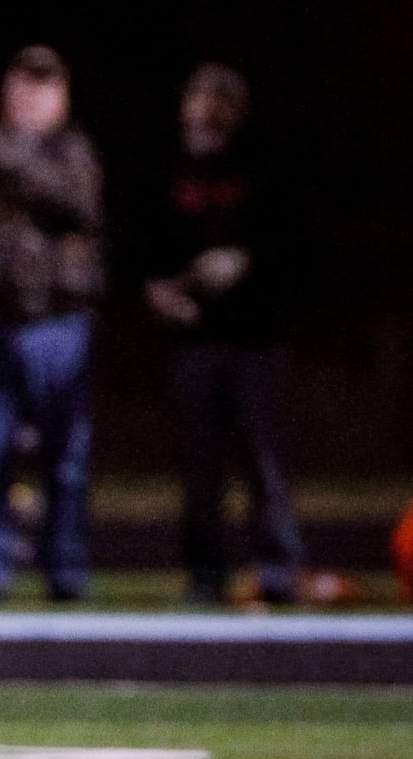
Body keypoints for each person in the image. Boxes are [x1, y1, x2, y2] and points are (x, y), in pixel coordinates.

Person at [0, 44, 106, 601]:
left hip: (60, 324)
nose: (33, 96)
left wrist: (16, 164)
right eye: (24, 83)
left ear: (62, 94)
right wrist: (31, 166)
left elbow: (78, 202)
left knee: (66, 460)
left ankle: (65, 568)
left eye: (46, 85)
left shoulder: (76, 149)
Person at [142, 63, 303, 605]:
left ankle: (278, 567)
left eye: (213, 101)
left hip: (255, 339)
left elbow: (292, 242)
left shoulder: (262, 166)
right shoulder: (173, 167)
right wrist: (162, 292)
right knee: (200, 465)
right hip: (194, 341)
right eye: (195, 98)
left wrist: (245, 263)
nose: (200, 110)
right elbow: (147, 243)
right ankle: (206, 572)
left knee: (264, 459)